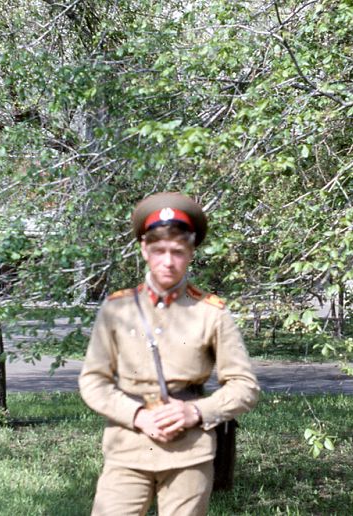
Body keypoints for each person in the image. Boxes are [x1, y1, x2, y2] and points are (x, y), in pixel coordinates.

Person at [79, 192, 260, 516]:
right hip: (127, 447)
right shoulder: (117, 309)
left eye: (177, 252)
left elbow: (244, 386)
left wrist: (196, 412)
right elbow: (93, 381)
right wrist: (138, 415)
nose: (168, 261)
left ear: (191, 253)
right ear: (144, 250)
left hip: (189, 451)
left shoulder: (211, 313)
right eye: (159, 251)